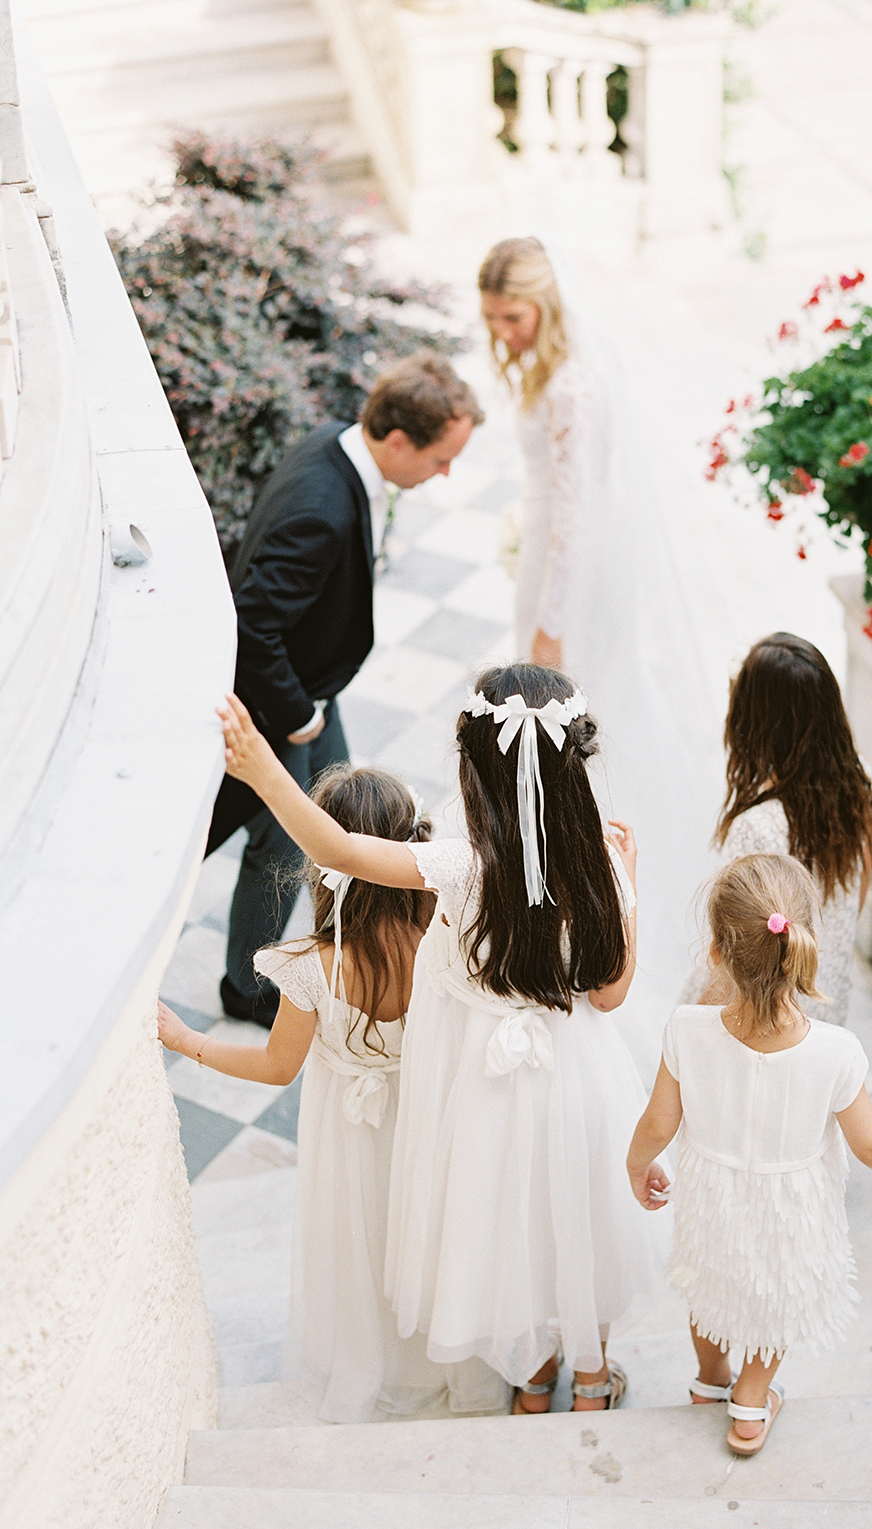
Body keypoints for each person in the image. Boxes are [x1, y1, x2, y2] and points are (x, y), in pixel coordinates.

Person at [217, 664, 666, 1413]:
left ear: (475, 773)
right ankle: (592, 1382)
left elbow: (344, 852)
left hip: (483, 1094)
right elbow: (610, 995)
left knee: (510, 1229)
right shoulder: (602, 871)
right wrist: (630, 879)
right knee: (578, 1225)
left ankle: (530, 1379)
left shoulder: (463, 869)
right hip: (577, 1082)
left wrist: (267, 773)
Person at [160, 765, 506, 1421]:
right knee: (433, 1236)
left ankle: (375, 1360)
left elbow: (276, 1067)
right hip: (433, 1120)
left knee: (364, 1243)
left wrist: (189, 1043)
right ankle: (453, 1366)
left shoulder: (307, 965)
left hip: (352, 1136)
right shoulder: (448, 937)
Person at [477, 235, 726, 1058]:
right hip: (558, 551)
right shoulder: (565, 365)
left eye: (511, 317)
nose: (502, 333)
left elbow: (577, 515)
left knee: (577, 720)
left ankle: (591, 873)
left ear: (544, 305)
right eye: (491, 319)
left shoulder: (575, 384)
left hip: (571, 572)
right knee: (594, 718)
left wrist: (549, 623)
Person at [627, 853, 872, 1456]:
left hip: (713, 1203)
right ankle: (751, 1402)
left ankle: (710, 1381)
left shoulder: (685, 1028)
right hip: (793, 1211)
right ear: (806, 943)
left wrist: (637, 1165)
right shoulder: (837, 1051)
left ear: (716, 953)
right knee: (775, 1301)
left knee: (710, 1291)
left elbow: (658, 1122)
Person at [209, 352, 484, 1027]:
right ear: (397, 440)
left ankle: (323, 963)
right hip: (284, 702)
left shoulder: (336, 436)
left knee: (330, 821)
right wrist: (299, 714)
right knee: (285, 838)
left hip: (308, 691)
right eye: (440, 459)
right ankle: (251, 987)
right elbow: (253, 625)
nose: (445, 473)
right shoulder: (321, 512)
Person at [685, 633, 872, 1024]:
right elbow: (861, 884)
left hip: (766, 1014)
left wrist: (694, 1022)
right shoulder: (859, 783)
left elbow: (734, 949)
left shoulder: (756, 828)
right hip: (825, 995)